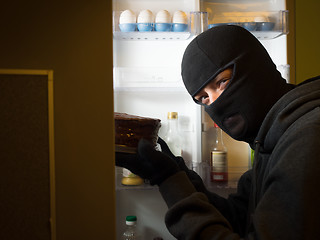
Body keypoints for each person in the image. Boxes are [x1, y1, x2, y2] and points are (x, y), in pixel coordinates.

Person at [116, 25, 320, 239]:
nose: (215, 104)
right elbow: (240, 219)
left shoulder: (307, 138)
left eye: (222, 82)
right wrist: (177, 176)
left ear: (256, 66)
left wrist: (169, 181)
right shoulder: (270, 141)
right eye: (204, 98)